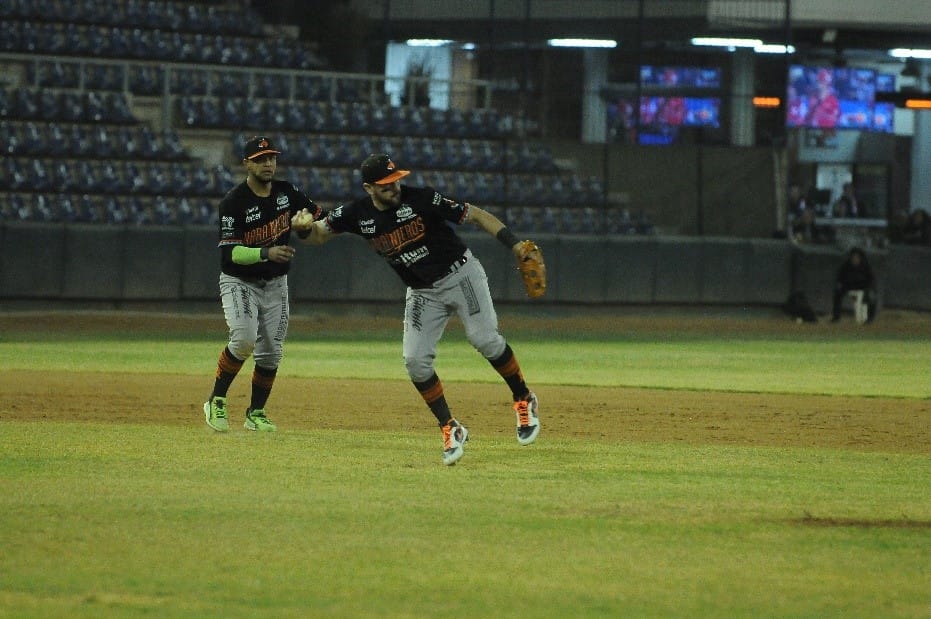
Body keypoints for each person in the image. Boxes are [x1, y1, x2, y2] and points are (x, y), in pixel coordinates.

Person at [291, 153, 541, 465]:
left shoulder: (422, 199)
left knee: (484, 339)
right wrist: (302, 229)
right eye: (384, 185)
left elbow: (474, 214)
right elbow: (318, 235)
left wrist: (515, 244)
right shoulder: (356, 213)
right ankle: (450, 428)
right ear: (369, 188)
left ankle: (523, 398)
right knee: (415, 362)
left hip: (461, 275)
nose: (394, 188)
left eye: (396, 180)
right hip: (423, 291)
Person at [203, 136, 321, 432]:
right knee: (243, 339)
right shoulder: (233, 202)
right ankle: (216, 399)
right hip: (239, 281)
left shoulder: (287, 192)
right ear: (247, 164)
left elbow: (315, 219)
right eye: (261, 159)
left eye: (271, 158)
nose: (268, 164)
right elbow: (231, 253)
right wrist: (266, 252)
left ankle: (256, 412)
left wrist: (305, 228)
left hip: (276, 283)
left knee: (271, 351)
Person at [831, 247, 877, 323]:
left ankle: (869, 318)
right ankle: (836, 317)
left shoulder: (866, 266)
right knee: (837, 292)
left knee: (871, 296)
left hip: (863, 287)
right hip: (849, 286)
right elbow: (839, 278)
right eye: (853, 257)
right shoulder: (846, 265)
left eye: (857, 257)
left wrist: (870, 288)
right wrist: (839, 285)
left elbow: (871, 280)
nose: (855, 259)